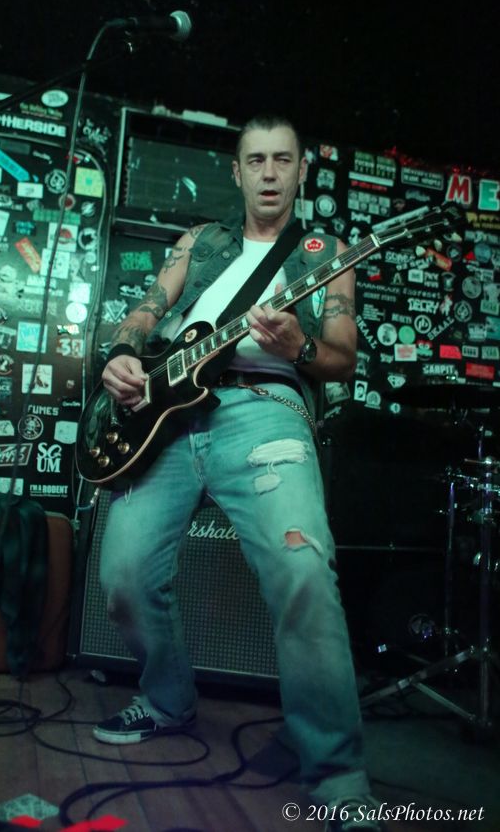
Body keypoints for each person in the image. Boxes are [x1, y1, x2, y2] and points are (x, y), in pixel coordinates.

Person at [92, 115, 386, 832]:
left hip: (264, 410)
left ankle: (338, 775)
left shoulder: (325, 253)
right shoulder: (202, 242)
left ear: (302, 170)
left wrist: (299, 347)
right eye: (256, 160)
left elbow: (342, 357)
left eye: (283, 159)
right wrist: (122, 353)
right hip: (166, 419)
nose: (269, 172)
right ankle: (167, 700)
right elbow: (148, 309)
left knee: (303, 570)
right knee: (123, 575)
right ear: (236, 170)